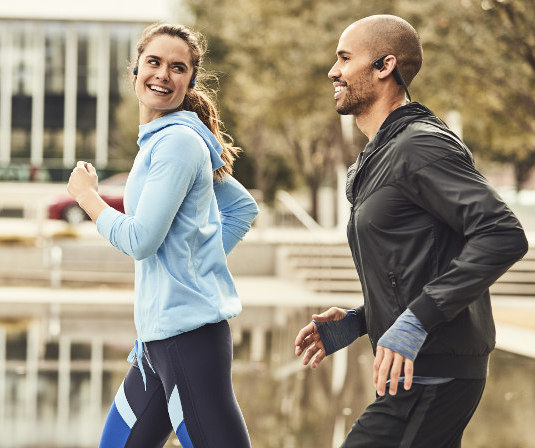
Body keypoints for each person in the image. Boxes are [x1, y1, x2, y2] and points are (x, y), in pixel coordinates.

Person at [294, 14, 528, 448]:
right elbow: (420, 259)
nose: (333, 71)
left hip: (436, 370)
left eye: (345, 58)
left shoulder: (418, 145)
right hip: (418, 371)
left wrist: (416, 320)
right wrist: (362, 319)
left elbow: (502, 233)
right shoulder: (383, 152)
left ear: (384, 66)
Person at [67, 23, 257, 448]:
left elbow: (140, 240)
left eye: (178, 67)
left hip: (188, 339)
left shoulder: (178, 144)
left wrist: (88, 199)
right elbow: (243, 208)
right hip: (157, 340)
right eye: (153, 62)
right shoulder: (162, 142)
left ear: (190, 80)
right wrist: (193, 263)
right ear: (134, 71)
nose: (163, 75)